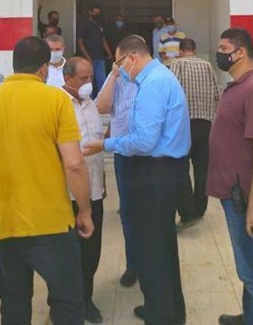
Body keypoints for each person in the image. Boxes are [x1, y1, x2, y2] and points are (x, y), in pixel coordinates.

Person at [0, 36, 94, 325]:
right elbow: (74, 164)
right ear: (43, 69)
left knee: (14, 306)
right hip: (51, 223)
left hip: (4, 223)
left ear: (13, 65)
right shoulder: (55, 99)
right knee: (68, 303)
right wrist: (85, 211)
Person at [85, 35, 190, 325]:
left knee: (153, 247)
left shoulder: (152, 84)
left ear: (130, 59)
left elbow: (144, 141)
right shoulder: (158, 77)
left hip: (155, 172)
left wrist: (104, 145)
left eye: (118, 63)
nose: (119, 70)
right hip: (163, 170)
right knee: (161, 245)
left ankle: (161, 315)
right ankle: (168, 309)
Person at [208, 28, 253, 325]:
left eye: (224, 48)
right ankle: (252, 316)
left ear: (240, 53)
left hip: (247, 198)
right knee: (249, 268)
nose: (219, 53)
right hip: (236, 195)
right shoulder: (239, 86)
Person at [63, 57, 105, 324]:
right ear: (68, 78)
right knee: (68, 253)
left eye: (91, 77)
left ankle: (86, 299)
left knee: (91, 251)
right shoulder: (58, 104)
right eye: (83, 78)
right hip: (67, 194)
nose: (89, 83)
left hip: (95, 190)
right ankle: (64, 302)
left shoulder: (91, 104)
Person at [170, 38, 221, 230]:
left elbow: (171, 90)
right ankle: (200, 209)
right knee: (202, 170)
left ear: (180, 51)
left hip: (184, 124)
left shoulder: (177, 64)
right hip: (206, 125)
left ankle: (188, 212)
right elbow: (218, 94)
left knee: (179, 168)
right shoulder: (207, 66)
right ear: (195, 50)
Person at [96, 61, 138, 288]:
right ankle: (133, 265)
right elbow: (102, 107)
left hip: (150, 154)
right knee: (129, 212)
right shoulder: (117, 79)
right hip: (123, 153)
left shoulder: (156, 79)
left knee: (152, 212)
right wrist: (112, 76)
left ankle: (152, 263)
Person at [77, 5, 114, 97]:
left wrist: (110, 54)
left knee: (102, 81)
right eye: (95, 12)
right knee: (89, 82)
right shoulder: (84, 24)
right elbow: (80, 42)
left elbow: (103, 40)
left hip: (100, 57)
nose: (97, 14)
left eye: (98, 13)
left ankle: (103, 100)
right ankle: (89, 101)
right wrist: (88, 57)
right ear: (90, 12)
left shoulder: (99, 25)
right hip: (89, 59)